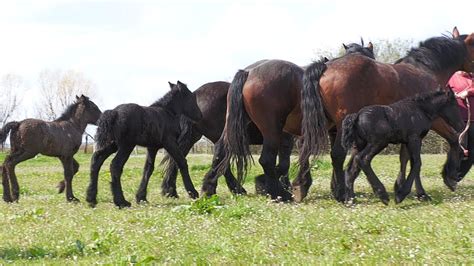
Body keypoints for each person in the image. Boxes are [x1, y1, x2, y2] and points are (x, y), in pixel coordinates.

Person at [448, 70, 474, 181]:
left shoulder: (472, 77)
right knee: (460, 150)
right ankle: (451, 176)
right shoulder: (451, 78)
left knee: (472, 153)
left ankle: (456, 177)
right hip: (458, 121)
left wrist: (468, 92)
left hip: (473, 121)